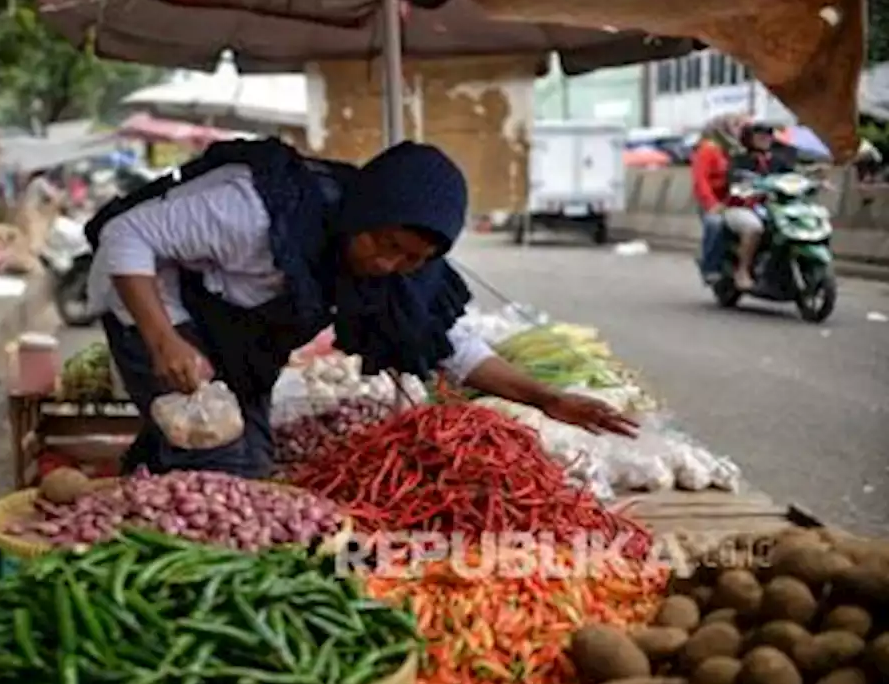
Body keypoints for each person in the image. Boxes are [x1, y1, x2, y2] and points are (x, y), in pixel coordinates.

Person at [83, 139, 639, 479]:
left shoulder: (401, 269)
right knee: (220, 464)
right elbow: (124, 234)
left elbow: (449, 343)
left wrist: (547, 398)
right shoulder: (255, 211)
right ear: (367, 211)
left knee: (251, 457)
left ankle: (145, 487)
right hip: (152, 298)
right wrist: (162, 338)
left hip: (236, 332)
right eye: (386, 244)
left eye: (413, 259)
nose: (391, 265)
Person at [725, 123, 791, 289]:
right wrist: (747, 182)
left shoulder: (778, 161)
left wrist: (816, 180)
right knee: (753, 228)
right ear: (749, 139)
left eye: (768, 135)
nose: (765, 139)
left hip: (774, 209)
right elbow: (734, 179)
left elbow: (794, 177)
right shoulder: (740, 160)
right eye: (760, 136)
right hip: (743, 207)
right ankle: (743, 271)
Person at [690, 113, 746, 285]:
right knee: (715, 224)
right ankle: (710, 267)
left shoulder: (738, 149)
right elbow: (700, 180)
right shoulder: (709, 148)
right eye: (735, 125)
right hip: (714, 202)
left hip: (737, 200)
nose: (739, 130)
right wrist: (712, 204)